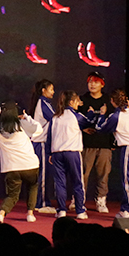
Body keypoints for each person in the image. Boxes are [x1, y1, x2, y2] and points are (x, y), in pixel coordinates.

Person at [94, 89, 129, 219]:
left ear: (112, 101)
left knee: (128, 183)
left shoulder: (116, 116)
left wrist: (102, 115)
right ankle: (125, 209)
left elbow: (100, 128)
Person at [0, 101, 43, 224]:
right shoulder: (22, 125)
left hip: (11, 168)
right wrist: (26, 117)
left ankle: (1, 214)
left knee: (12, 195)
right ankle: (30, 214)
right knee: (32, 186)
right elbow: (38, 129)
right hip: (30, 165)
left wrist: (2, 107)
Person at [46, 90, 97, 219]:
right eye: (77, 101)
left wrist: (49, 153)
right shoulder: (75, 116)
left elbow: (49, 137)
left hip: (57, 153)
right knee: (78, 182)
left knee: (60, 183)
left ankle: (61, 210)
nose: (78, 103)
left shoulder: (55, 117)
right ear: (71, 102)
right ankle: (80, 211)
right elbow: (89, 121)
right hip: (72, 152)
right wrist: (91, 112)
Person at [78, 71, 115, 213]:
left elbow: (114, 122)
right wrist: (83, 129)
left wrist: (112, 142)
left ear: (102, 84)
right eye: (90, 82)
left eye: (96, 82)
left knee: (103, 174)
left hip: (104, 144)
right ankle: (79, 200)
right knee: (83, 174)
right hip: (87, 144)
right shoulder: (82, 100)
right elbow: (74, 120)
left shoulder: (108, 100)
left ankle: (101, 200)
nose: (92, 84)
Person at [29, 79, 56, 215]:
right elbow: (56, 119)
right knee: (43, 175)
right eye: (51, 89)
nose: (53, 92)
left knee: (41, 174)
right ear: (44, 90)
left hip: (39, 143)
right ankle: (42, 203)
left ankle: (38, 202)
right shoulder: (43, 103)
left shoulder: (42, 103)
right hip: (41, 143)